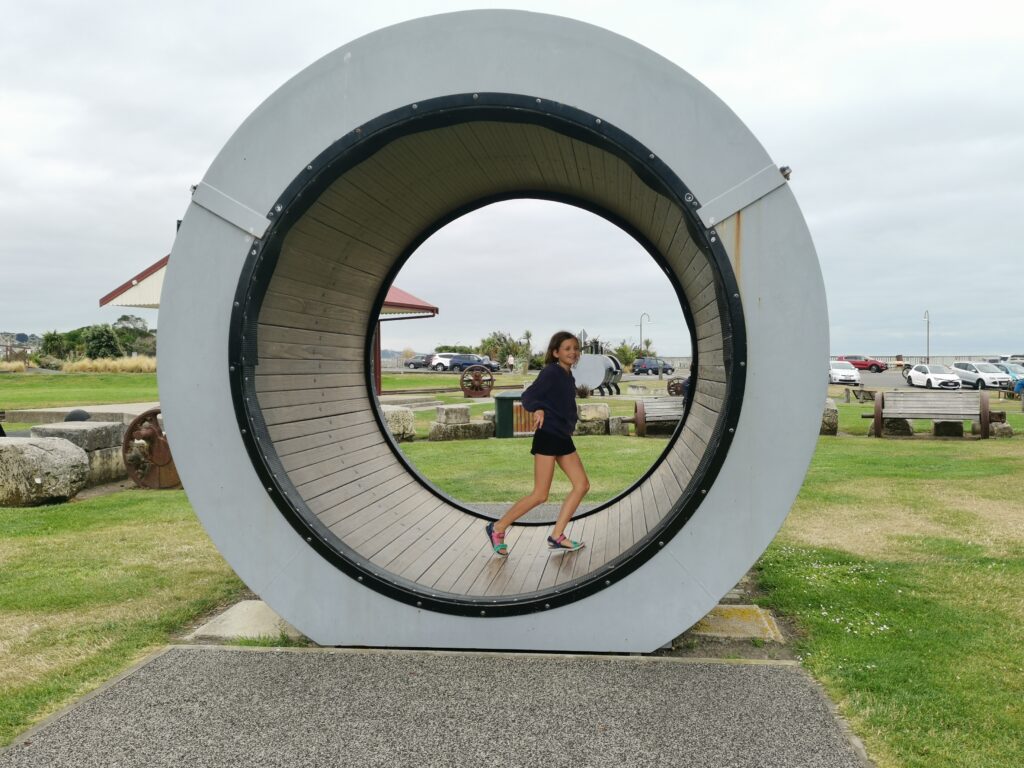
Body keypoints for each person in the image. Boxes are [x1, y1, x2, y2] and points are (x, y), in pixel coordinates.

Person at [486, 331, 589, 555]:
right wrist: (538, 408)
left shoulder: (566, 374)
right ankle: (498, 527)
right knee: (541, 494)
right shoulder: (551, 372)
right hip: (548, 435)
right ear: (555, 352)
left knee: (582, 485)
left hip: (562, 436)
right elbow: (529, 396)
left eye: (575, 348)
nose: (573, 352)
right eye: (567, 349)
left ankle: (557, 535)